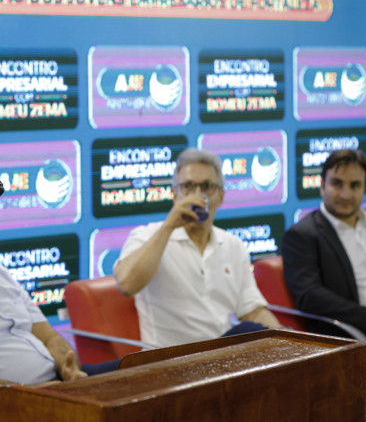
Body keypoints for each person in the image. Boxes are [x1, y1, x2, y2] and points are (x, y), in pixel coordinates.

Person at [113, 148, 282, 348]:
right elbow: (126, 284)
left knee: (254, 335)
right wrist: (169, 225)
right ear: (175, 195)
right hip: (168, 360)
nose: (197, 195)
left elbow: (252, 310)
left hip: (221, 356)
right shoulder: (148, 236)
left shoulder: (232, 245)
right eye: (188, 186)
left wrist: (288, 341)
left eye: (207, 186)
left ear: (220, 196)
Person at [282, 149, 366, 371]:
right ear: (322, 185)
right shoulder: (303, 235)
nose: (345, 194)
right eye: (337, 184)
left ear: (364, 188)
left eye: (354, 186)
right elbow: (310, 296)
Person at [0, 189, 92, 384]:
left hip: (59, 383)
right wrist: (40, 393)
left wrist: (69, 367)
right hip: (12, 402)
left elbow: (50, 338)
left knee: (135, 371)